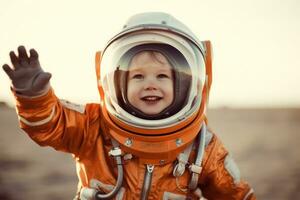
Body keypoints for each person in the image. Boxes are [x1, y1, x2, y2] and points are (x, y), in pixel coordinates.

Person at [2, 12, 256, 200]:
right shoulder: (93, 126)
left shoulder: (203, 147)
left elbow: (235, 194)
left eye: (162, 76)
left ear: (184, 84)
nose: (150, 84)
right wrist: (34, 97)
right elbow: (51, 126)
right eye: (137, 76)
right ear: (117, 83)